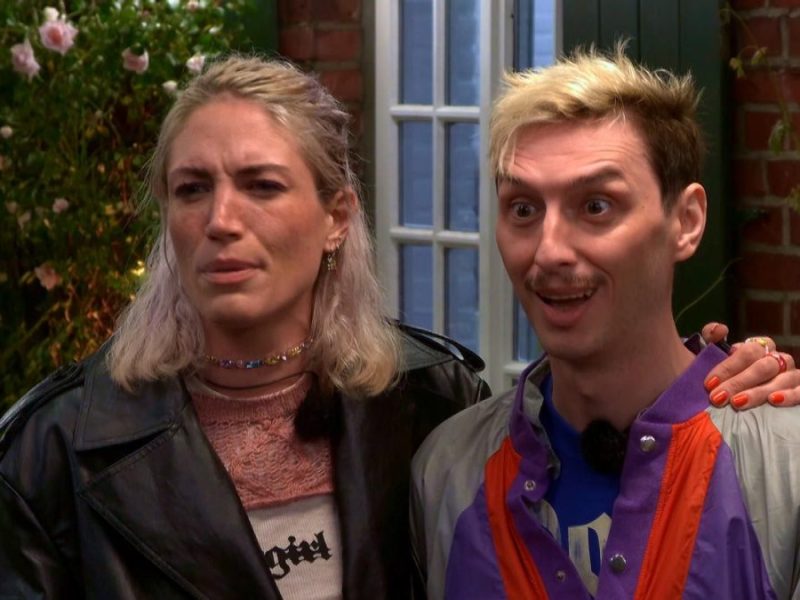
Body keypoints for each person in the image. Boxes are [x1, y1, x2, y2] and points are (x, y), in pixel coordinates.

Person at [0, 54, 789, 600]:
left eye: (262, 185)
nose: (221, 220)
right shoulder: (59, 446)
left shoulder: (423, 402)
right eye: (191, 188)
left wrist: (732, 392)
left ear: (337, 216)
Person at [411, 47, 800, 600]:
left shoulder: (784, 468)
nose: (548, 251)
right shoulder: (447, 473)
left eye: (596, 206)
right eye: (523, 209)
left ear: (686, 221)